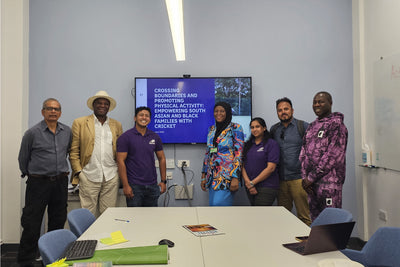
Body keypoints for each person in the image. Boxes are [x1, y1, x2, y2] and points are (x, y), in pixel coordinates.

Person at [17, 98, 71, 266]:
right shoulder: (32, 133)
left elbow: (67, 151)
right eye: (49, 108)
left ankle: (53, 257)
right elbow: (23, 158)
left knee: (58, 219)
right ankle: (26, 260)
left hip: (60, 183)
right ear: (43, 112)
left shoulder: (67, 131)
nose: (53, 111)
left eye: (56, 109)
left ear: (60, 113)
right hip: (38, 183)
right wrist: (32, 174)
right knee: (32, 222)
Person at [70, 91, 123, 216]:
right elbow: (73, 150)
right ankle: (89, 237)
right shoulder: (80, 123)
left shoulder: (117, 125)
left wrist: (118, 173)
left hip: (111, 176)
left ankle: (105, 237)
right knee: (87, 215)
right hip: (88, 175)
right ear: (93, 105)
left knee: (108, 215)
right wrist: (79, 172)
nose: (102, 106)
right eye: (99, 103)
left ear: (109, 107)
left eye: (106, 104)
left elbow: (120, 150)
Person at [299, 91, 348, 221]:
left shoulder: (337, 125)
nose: (316, 104)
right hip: (311, 186)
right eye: (314, 102)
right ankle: (317, 243)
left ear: (330, 103)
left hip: (329, 185)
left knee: (331, 224)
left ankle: (334, 243)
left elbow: (333, 155)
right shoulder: (312, 126)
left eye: (320, 101)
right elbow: (303, 152)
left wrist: (311, 177)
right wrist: (305, 178)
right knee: (316, 223)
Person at [270, 97, 311, 225]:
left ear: (292, 110)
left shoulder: (303, 126)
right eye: (280, 110)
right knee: (283, 217)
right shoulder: (274, 129)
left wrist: (310, 177)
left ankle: (307, 245)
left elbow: (313, 152)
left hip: (299, 179)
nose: (283, 112)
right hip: (281, 180)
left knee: (304, 216)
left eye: (286, 109)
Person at [116, 106, 167, 207]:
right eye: (141, 115)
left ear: (150, 119)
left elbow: (162, 158)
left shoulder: (155, 137)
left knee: (152, 218)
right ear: (135, 118)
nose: (144, 118)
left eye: (147, 116)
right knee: (135, 219)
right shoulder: (125, 137)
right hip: (134, 187)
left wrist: (163, 181)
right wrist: (126, 186)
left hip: (152, 186)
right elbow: (120, 162)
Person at [201, 102, 244, 206]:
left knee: (219, 206)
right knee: (213, 206)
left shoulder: (236, 128)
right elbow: (208, 153)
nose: (218, 113)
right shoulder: (211, 130)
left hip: (227, 177)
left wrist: (235, 177)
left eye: (222, 111)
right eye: (216, 111)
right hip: (212, 177)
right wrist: (203, 176)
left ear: (228, 112)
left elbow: (239, 154)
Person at [242, 117, 280, 206]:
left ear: (264, 128)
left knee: (261, 216)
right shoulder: (248, 145)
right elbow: (242, 165)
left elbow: (271, 168)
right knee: (255, 216)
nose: (254, 129)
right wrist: (248, 183)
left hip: (267, 186)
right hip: (249, 186)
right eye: (252, 127)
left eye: (257, 127)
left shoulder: (271, 144)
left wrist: (252, 183)